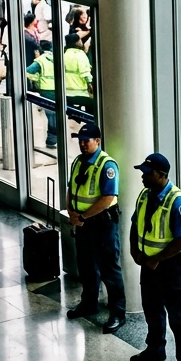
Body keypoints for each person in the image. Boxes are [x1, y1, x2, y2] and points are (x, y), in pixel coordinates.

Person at [127, 152, 181, 361]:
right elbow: (135, 223)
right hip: (148, 263)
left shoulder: (178, 202)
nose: (143, 177)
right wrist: (134, 251)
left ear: (161, 175)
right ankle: (155, 348)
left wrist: (157, 258)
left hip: (171, 266)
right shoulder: (145, 195)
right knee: (152, 309)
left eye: (147, 174)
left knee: (178, 316)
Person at [66, 123, 126, 334]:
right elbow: (71, 188)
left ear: (98, 141)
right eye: (80, 140)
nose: (83, 144)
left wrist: (82, 216)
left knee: (109, 269)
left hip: (102, 224)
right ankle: (88, 303)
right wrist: (71, 213)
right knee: (86, 266)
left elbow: (108, 198)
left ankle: (118, 312)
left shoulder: (107, 165)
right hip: (82, 223)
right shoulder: (77, 162)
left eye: (87, 140)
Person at [25, 39, 58, 148]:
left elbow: (27, 71)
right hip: (58, 88)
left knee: (51, 114)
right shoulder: (57, 58)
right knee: (56, 113)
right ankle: (55, 138)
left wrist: (36, 79)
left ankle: (51, 139)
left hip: (46, 89)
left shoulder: (41, 60)